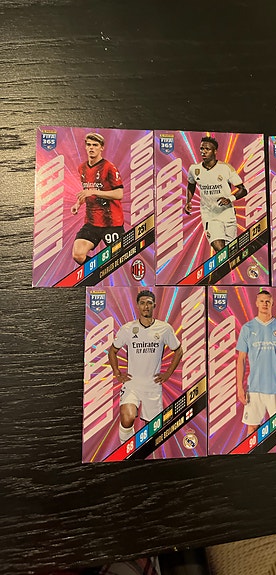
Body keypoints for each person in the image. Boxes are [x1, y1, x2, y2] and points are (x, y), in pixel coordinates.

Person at [108, 290, 183, 444]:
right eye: (142, 303)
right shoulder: (128, 329)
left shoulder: (164, 328)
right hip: (132, 384)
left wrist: (168, 373)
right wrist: (117, 373)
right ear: (137, 305)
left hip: (152, 386)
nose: (146, 306)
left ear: (154, 305)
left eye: (149, 303)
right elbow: (112, 351)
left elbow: (179, 351)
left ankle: (141, 449)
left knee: (153, 432)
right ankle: (126, 448)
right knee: (127, 418)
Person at [236, 290, 276, 435]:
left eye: (267, 301)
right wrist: (239, 386)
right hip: (254, 388)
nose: (264, 304)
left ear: (272, 304)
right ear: (256, 303)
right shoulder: (247, 328)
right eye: (262, 301)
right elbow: (241, 359)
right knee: (252, 429)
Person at [185, 136, 248, 252]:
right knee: (220, 250)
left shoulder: (225, 168)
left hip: (227, 215)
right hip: (210, 215)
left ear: (215, 151)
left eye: (207, 149)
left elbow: (243, 190)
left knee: (230, 253)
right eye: (201, 148)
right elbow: (191, 185)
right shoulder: (194, 169)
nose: (203, 152)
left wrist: (229, 199)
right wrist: (188, 201)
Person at [71, 132, 125, 265]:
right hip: (91, 222)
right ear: (85, 147)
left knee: (120, 258)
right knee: (78, 255)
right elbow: (87, 192)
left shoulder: (109, 167)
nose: (91, 148)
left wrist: (94, 192)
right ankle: (98, 271)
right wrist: (78, 204)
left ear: (102, 148)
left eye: (95, 145)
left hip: (111, 223)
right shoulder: (82, 168)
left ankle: (106, 270)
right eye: (89, 145)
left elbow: (119, 194)